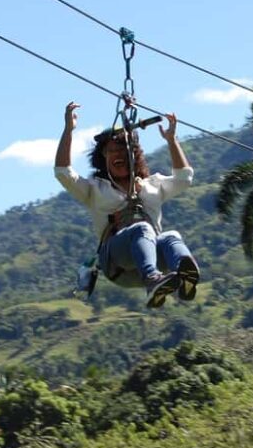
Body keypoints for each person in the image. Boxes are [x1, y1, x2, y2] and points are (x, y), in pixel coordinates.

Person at [54, 101, 200, 308]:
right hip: (117, 265)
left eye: (123, 150)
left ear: (134, 155)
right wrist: (68, 130)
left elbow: (184, 178)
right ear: (103, 157)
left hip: (151, 258)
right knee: (142, 228)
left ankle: (184, 278)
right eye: (111, 151)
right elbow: (63, 172)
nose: (118, 155)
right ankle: (152, 280)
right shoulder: (95, 189)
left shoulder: (152, 185)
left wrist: (171, 140)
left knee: (171, 236)